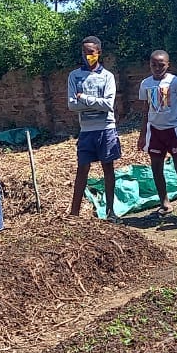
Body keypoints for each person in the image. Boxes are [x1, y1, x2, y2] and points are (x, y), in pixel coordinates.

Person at [136, 50, 177, 220]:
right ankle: (165, 203)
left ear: (168, 65)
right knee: (156, 168)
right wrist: (142, 135)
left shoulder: (175, 82)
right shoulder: (145, 84)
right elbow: (145, 110)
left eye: (161, 65)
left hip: (174, 130)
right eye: (154, 65)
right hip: (155, 131)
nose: (157, 68)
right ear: (149, 65)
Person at [68, 36, 122, 222]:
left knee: (108, 168)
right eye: (84, 52)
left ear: (99, 52)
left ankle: (110, 212)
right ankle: (74, 214)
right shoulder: (74, 76)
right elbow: (71, 105)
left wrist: (83, 97)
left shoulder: (107, 76)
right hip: (86, 131)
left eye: (91, 52)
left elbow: (108, 104)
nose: (87, 56)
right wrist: (93, 103)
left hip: (106, 128)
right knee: (82, 168)